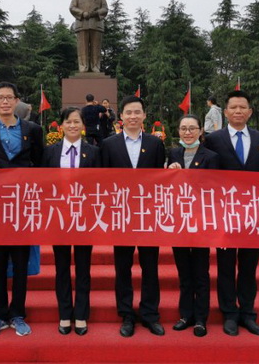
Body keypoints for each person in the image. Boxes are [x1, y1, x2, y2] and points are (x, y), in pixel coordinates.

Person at [0, 82, 44, 338]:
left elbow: (41, 165)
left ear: (16, 101)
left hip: (23, 206)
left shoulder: (33, 130)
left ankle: (18, 314)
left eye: (9, 97)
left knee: (21, 263)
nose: (4, 102)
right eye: (0, 98)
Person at [202, 90, 259, 337]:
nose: (238, 111)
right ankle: (229, 313)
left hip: (252, 214)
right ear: (226, 112)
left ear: (250, 112)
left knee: (249, 266)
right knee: (226, 266)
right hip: (224, 213)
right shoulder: (214, 139)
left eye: (243, 107)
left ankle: (248, 313)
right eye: (233, 107)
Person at [100, 95, 166, 337]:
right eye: (128, 112)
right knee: (123, 267)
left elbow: (161, 180)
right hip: (121, 215)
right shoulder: (109, 144)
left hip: (148, 215)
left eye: (137, 112)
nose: (133, 116)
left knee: (150, 267)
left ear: (144, 115)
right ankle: (126, 314)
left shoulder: (155, 144)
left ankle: (150, 314)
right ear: (121, 117)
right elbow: (103, 181)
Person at [42, 107, 100, 336]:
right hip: (59, 217)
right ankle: (65, 314)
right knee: (62, 267)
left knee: (84, 268)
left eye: (77, 122)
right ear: (61, 125)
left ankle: (82, 314)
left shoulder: (94, 152)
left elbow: (101, 184)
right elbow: (42, 184)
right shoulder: (50, 152)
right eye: (68, 122)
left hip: (85, 218)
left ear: (83, 125)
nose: (73, 125)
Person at [167, 114, 219, 337]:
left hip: (201, 222)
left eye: (192, 128)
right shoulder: (173, 154)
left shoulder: (211, 157)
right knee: (183, 272)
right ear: (178, 131)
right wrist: (170, 171)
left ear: (200, 131)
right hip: (179, 222)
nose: (187, 133)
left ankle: (200, 318)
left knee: (201, 272)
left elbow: (216, 187)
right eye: (183, 129)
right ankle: (185, 315)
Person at [69, 0, 108, 72]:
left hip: (96, 24)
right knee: (82, 48)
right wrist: (82, 13)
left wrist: (97, 13)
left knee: (96, 48)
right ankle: (83, 67)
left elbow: (105, 8)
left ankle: (95, 67)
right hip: (82, 24)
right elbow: (72, 7)